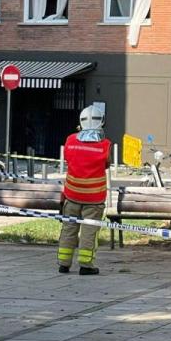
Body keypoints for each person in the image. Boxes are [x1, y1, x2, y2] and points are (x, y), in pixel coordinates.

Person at [57, 104, 111, 276]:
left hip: (72, 195)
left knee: (68, 229)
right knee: (89, 231)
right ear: (101, 123)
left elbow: (68, 160)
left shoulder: (70, 140)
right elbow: (107, 164)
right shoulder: (105, 145)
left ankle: (64, 264)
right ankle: (86, 265)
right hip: (94, 199)